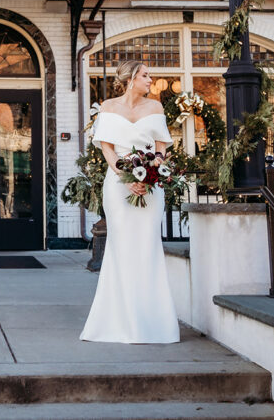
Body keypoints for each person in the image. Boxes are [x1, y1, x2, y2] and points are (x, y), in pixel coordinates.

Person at [80, 60, 179, 344]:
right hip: (118, 185)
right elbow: (107, 149)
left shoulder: (156, 107)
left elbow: (161, 147)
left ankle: (152, 322)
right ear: (132, 77)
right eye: (146, 75)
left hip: (150, 186)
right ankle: (119, 322)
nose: (151, 79)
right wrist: (126, 176)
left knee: (148, 247)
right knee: (121, 248)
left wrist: (150, 173)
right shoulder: (109, 107)